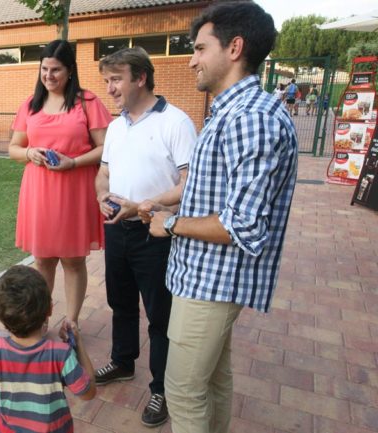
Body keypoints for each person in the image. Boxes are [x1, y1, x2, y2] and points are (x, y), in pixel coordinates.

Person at [147, 3, 298, 432]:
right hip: (205, 277)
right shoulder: (234, 111)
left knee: (182, 391)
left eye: (199, 48)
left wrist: (171, 224)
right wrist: (169, 207)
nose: (191, 59)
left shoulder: (250, 117)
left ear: (234, 48)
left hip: (213, 282)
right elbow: (219, 196)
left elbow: (244, 226)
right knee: (213, 380)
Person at [94, 47, 196, 428]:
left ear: (140, 77)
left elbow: (189, 185)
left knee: (160, 315)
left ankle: (161, 389)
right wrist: (102, 196)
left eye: (116, 79)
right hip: (118, 228)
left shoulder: (176, 122)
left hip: (155, 233)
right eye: (106, 80)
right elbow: (103, 173)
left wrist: (144, 204)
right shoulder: (118, 126)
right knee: (120, 302)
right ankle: (123, 362)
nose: (110, 88)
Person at [8, 39, 112, 324]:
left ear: (70, 71)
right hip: (39, 191)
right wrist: (30, 152)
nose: (48, 76)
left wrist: (74, 162)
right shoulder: (30, 104)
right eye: (44, 69)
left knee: (73, 260)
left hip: (75, 188)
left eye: (56, 70)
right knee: (42, 259)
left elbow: (107, 147)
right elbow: (14, 148)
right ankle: (41, 320)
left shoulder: (87, 102)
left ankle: (72, 321)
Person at [0, 265, 96, 433]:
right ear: (50, 309)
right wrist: (78, 342)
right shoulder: (61, 355)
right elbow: (88, 392)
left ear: (1, 317)